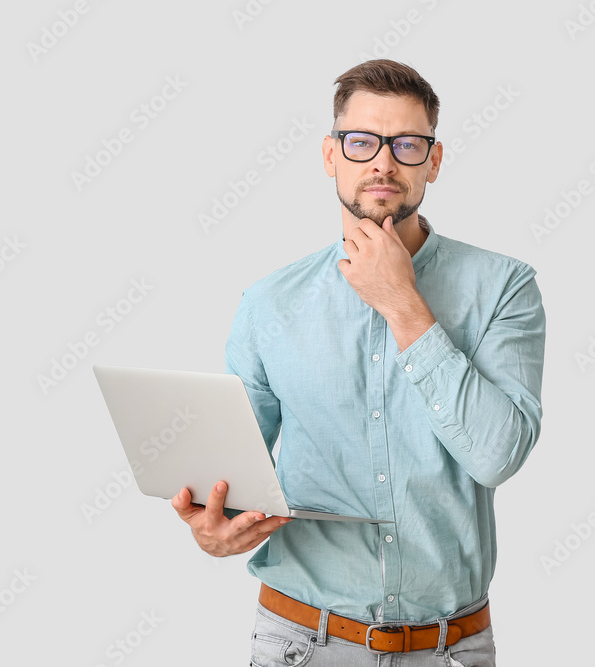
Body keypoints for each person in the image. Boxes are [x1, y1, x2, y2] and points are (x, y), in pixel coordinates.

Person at [171, 59, 546, 666]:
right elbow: (233, 479)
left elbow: (497, 455)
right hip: (300, 643)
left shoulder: (503, 288)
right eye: (362, 141)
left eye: (407, 144)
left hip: (450, 649)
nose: (383, 162)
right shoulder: (269, 303)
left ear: (434, 160)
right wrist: (215, 529)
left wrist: (402, 302)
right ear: (330, 155)